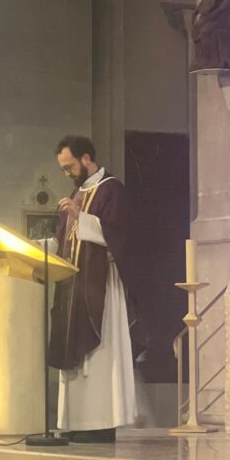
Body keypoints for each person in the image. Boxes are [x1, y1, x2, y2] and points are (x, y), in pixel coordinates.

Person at [49, 134, 136, 442]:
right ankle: (76, 422)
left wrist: (81, 217)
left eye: (69, 166)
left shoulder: (111, 189)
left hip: (101, 287)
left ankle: (101, 423)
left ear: (86, 158)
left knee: (100, 357)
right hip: (75, 286)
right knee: (76, 358)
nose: (66, 173)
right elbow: (64, 241)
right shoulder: (77, 193)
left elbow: (120, 236)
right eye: (63, 168)